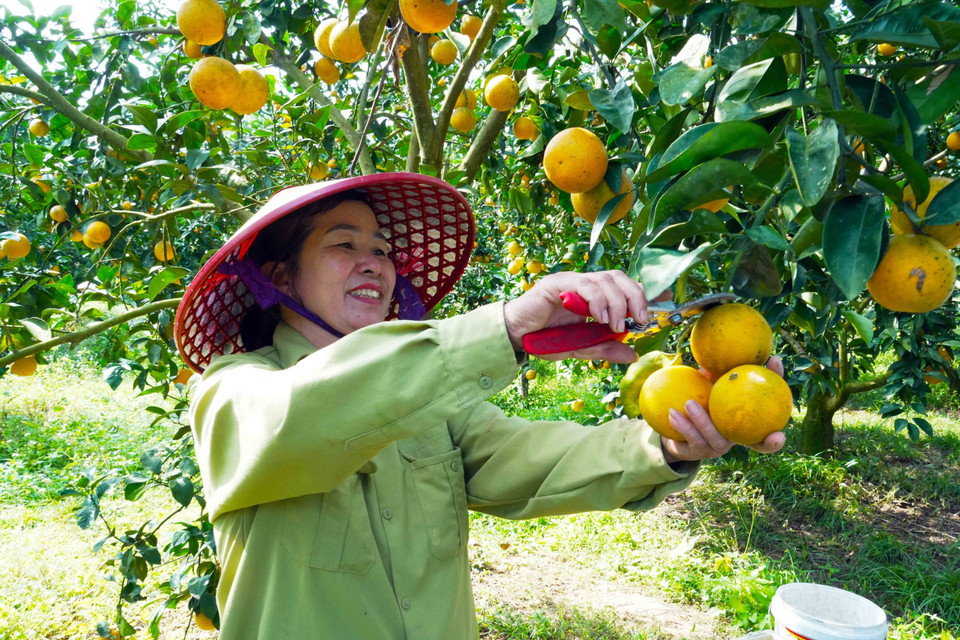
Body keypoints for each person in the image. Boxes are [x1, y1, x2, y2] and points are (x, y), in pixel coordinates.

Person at [175, 172, 785, 639]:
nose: (373, 262)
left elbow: (528, 457)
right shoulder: (232, 392)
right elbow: (305, 414)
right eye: (344, 243)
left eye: (382, 250)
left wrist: (666, 444)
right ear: (281, 279)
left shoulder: (429, 407)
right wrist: (507, 329)